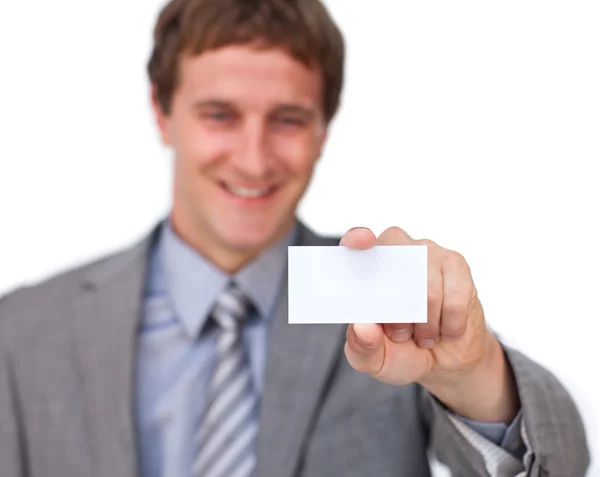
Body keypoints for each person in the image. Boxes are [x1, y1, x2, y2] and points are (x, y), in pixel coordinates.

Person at [0, 0, 590, 476]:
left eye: (287, 119)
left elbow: (560, 462)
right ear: (161, 112)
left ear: (323, 128)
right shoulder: (23, 333)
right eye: (219, 115)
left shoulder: (383, 302)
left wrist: (473, 372)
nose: (254, 160)